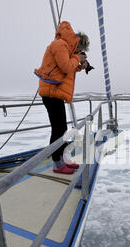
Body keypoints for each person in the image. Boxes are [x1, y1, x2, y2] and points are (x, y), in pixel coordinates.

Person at [35, 21, 90, 174]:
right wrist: (77, 59)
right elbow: (66, 66)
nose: (79, 52)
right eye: (80, 50)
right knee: (58, 129)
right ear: (77, 43)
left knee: (62, 129)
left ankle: (62, 160)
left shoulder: (64, 47)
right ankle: (57, 164)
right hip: (51, 93)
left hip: (55, 92)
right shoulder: (60, 45)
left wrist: (79, 66)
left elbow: (65, 70)